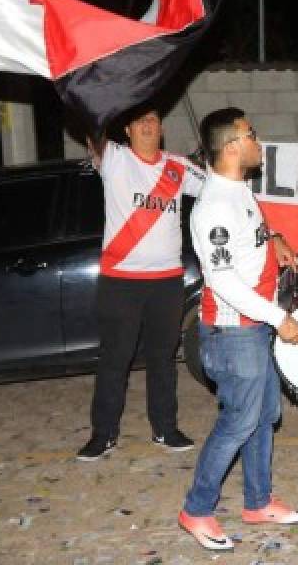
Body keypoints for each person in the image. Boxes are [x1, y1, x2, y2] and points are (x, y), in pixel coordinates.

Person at [176, 107, 298, 552]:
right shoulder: (213, 206)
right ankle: (196, 510)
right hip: (235, 333)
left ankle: (258, 501)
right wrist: (280, 319)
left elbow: (253, 232)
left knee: (264, 416)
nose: (259, 140)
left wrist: (277, 241)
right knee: (238, 422)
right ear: (232, 147)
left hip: (254, 330)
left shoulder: (239, 190)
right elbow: (224, 280)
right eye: (252, 134)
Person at [78, 108, 205, 461]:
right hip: (121, 281)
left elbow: (216, 188)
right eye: (141, 121)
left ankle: (165, 428)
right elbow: (92, 122)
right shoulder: (115, 158)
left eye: (154, 120)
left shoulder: (177, 167)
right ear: (127, 129)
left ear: (161, 128)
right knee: (114, 361)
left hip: (166, 281)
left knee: (163, 359)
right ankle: (103, 434)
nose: (149, 125)